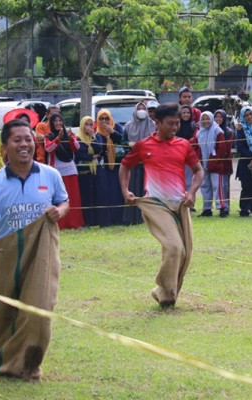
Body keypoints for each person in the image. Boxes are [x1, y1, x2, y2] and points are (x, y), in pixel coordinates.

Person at [0, 119, 69, 381]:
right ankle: (6, 362)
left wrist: (59, 211)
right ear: (5, 148)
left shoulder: (50, 175)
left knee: (39, 309)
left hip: (43, 251)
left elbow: (64, 202)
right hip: (7, 251)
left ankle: (28, 366)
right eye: (17, 140)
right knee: (3, 310)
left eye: (28, 139)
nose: (24, 144)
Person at [119, 102, 204, 308]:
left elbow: (199, 171)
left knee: (185, 251)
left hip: (180, 204)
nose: (174, 128)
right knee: (174, 246)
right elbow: (125, 166)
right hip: (155, 204)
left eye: (177, 124)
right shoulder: (144, 145)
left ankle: (167, 294)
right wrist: (125, 191)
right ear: (157, 122)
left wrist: (191, 192)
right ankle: (163, 288)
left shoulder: (183, 145)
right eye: (170, 124)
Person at [45, 113, 85, 229]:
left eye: (60, 121)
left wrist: (71, 137)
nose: (58, 123)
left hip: (70, 169)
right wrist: (57, 139)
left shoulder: (68, 135)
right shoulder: (49, 136)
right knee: (59, 197)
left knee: (73, 197)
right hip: (55, 170)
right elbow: (49, 148)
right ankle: (60, 223)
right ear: (52, 124)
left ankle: (75, 222)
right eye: (55, 121)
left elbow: (77, 148)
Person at [121, 102, 156, 224]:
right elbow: (123, 141)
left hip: (148, 162)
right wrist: (129, 144)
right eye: (139, 109)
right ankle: (132, 217)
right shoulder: (128, 126)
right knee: (133, 187)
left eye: (143, 109)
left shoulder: (153, 125)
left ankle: (146, 217)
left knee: (146, 189)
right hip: (133, 161)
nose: (141, 111)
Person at [95, 109, 125, 226]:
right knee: (108, 193)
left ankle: (120, 219)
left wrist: (112, 132)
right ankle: (109, 220)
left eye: (106, 118)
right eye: (101, 119)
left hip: (119, 166)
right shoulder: (97, 133)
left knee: (119, 192)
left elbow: (123, 140)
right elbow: (98, 150)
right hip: (106, 168)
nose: (104, 121)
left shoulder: (116, 127)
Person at [197, 111, 228, 217]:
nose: (205, 121)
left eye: (207, 119)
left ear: (211, 119)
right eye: (203, 119)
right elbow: (197, 148)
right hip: (203, 164)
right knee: (205, 186)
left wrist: (214, 160)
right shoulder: (199, 133)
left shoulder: (217, 131)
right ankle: (207, 209)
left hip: (215, 164)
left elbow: (222, 148)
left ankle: (222, 207)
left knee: (217, 186)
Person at [75, 116, 103, 227]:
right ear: (82, 126)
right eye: (86, 124)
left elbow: (99, 150)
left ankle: (95, 221)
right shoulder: (77, 138)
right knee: (85, 198)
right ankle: (86, 221)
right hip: (83, 171)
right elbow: (79, 154)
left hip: (95, 171)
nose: (89, 127)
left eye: (91, 124)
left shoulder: (96, 137)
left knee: (95, 196)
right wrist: (92, 156)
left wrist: (93, 137)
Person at [214, 109, 234, 216]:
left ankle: (226, 207)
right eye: (216, 117)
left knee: (225, 186)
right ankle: (219, 206)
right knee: (217, 186)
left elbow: (227, 148)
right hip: (214, 164)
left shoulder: (228, 132)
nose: (218, 119)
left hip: (225, 163)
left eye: (220, 117)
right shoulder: (211, 130)